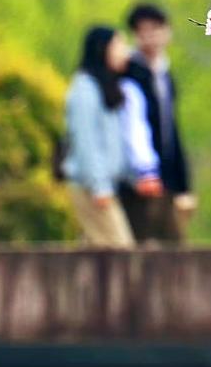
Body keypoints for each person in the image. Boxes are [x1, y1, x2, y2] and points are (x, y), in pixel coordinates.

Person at [62, 24, 163, 247]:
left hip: (104, 185)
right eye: (118, 45)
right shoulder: (84, 90)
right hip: (91, 188)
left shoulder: (106, 88)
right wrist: (100, 186)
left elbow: (115, 145)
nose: (124, 51)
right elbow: (86, 143)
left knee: (95, 254)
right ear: (102, 49)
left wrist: (135, 179)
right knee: (119, 247)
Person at [124, 2, 195, 242]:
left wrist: (184, 187)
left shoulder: (165, 75)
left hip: (166, 180)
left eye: (154, 29)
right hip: (137, 181)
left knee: (174, 247)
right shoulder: (129, 73)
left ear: (166, 32)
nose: (149, 37)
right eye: (142, 31)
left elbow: (172, 133)